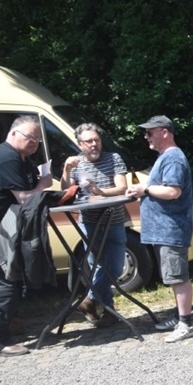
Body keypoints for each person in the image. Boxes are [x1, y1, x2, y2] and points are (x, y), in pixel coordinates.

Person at [125, 115, 193, 343]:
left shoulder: (173, 158)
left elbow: (172, 191)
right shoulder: (165, 157)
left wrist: (144, 190)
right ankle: (178, 317)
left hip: (171, 228)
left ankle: (186, 324)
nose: (146, 137)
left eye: (149, 132)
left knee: (178, 277)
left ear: (164, 132)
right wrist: (144, 187)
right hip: (164, 229)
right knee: (173, 276)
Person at [61, 123, 128, 327]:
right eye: (89, 141)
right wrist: (66, 170)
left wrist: (100, 192)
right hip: (89, 223)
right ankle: (109, 312)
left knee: (115, 268)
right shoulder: (76, 163)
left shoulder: (113, 158)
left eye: (96, 140)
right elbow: (65, 193)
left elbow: (122, 187)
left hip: (114, 220)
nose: (94, 144)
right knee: (97, 266)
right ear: (79, 144)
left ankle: (88, 300)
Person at [0, 116, 52, 356]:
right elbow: (24, 198)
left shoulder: (22, 159)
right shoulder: (7, 158)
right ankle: (1, 342)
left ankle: (9, 325)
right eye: (31, 137)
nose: (35, 142)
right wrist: (43, 185)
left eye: (38, 139)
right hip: (1, 231)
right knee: (4, 282)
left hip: (8, 230)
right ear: (13, 134)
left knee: (10, 280)